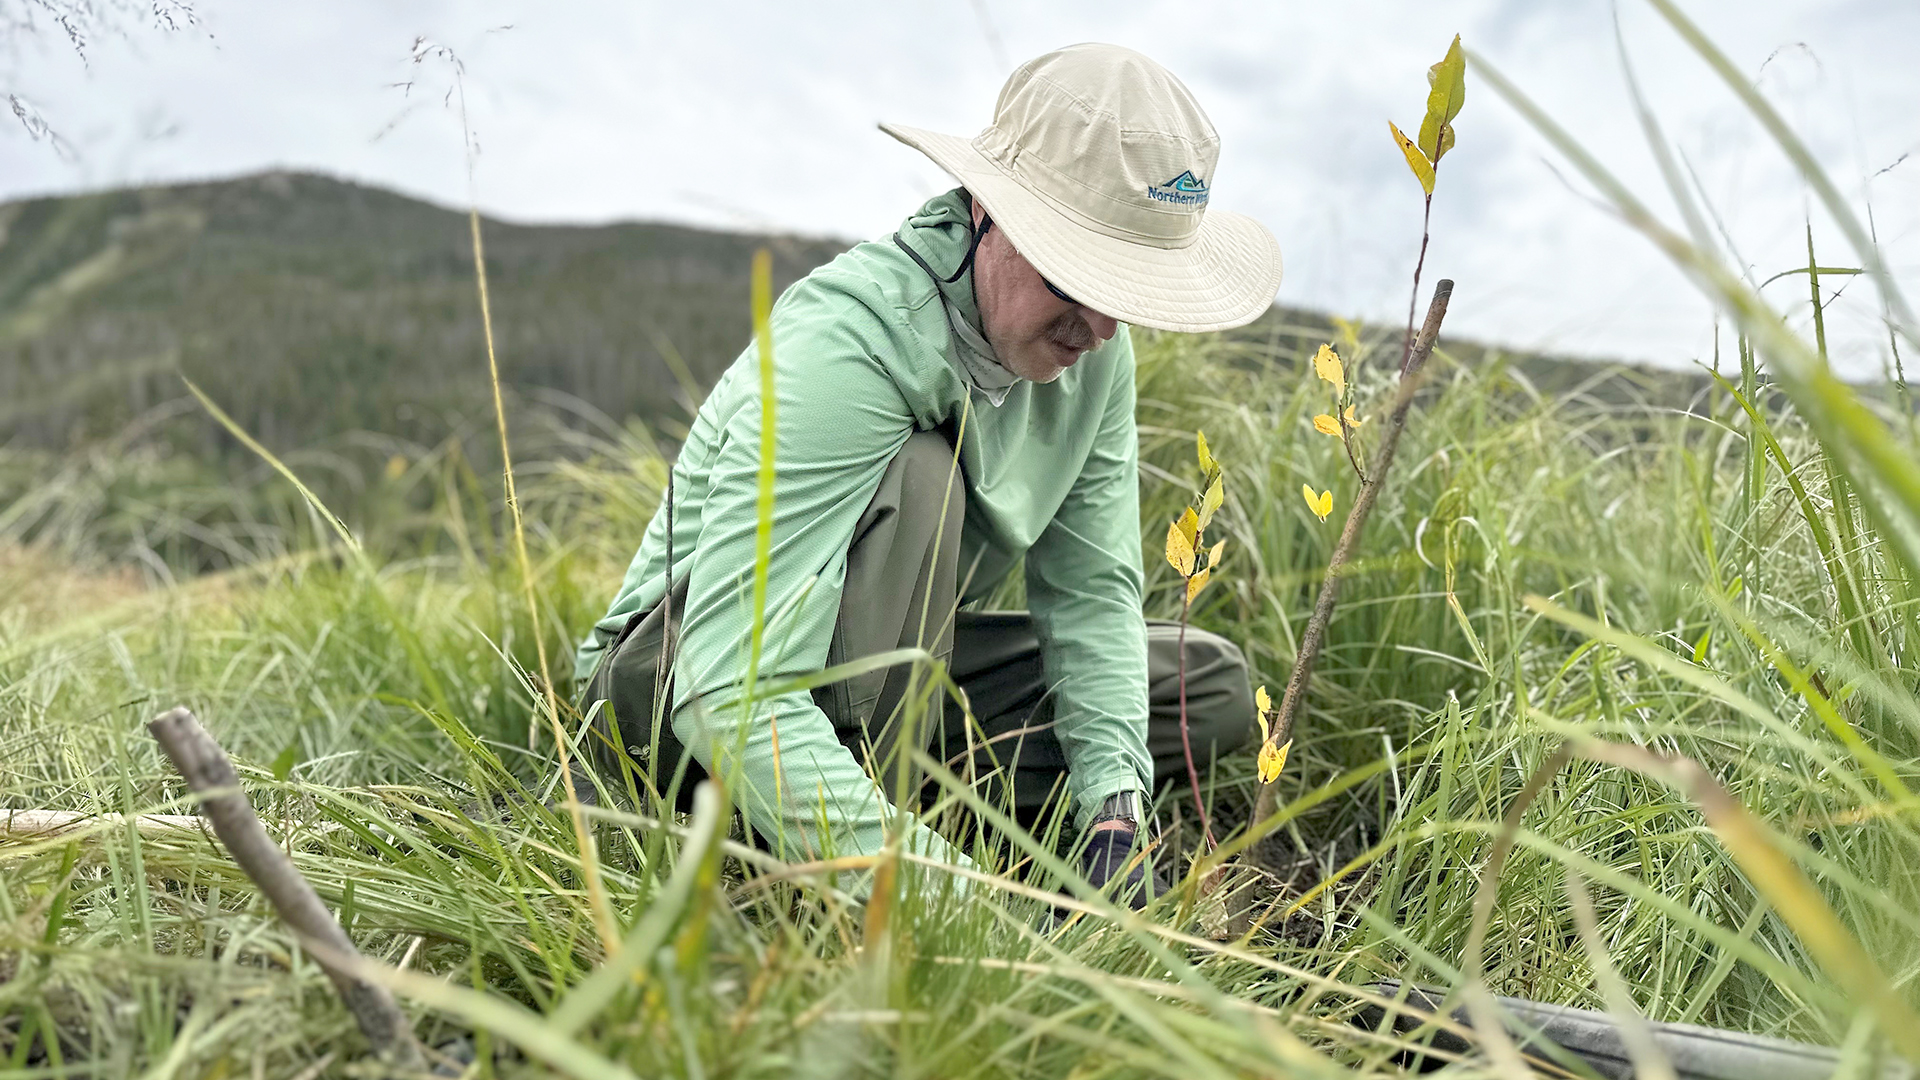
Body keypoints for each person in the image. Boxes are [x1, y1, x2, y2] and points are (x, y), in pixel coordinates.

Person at [574, 43, 1283, 908]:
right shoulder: (847, 347)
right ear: (988, 208)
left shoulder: (1097, 352)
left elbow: (1093, 590)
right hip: (679, 695)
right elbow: (728, 689)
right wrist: (957, 907)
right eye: (1078, 272)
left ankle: (847, 815)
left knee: (1204, 690)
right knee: (923, 479)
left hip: (893, 689)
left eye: (1126, 289)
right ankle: (848, 843)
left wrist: (1114, 818)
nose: (1096, 324)